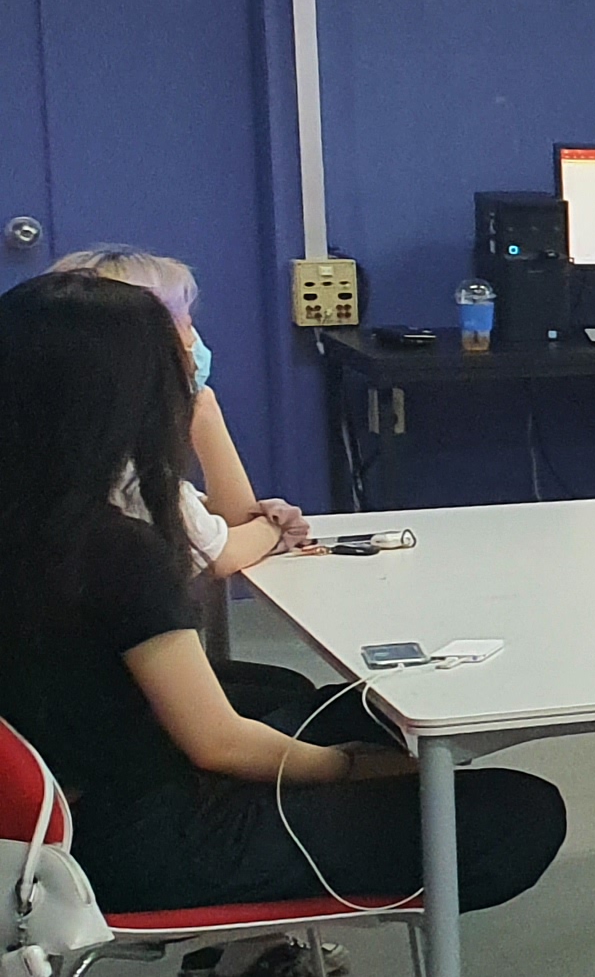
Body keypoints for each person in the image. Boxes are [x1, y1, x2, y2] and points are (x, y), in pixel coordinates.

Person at [0, 270, 564, 923]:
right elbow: (218, 743)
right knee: (519, 813)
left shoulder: (36, 519)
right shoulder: (114, 551)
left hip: (70, 808)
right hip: (141, 840)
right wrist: (347, 769)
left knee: (363, 708)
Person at [52, 244, 309, 580]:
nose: (194, 341)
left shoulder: (72, 437)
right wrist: (273, 529)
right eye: (185, 325)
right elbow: (221, 553)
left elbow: (225, 521)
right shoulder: (126, 467)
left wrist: (203, 408)